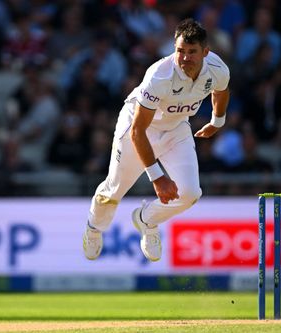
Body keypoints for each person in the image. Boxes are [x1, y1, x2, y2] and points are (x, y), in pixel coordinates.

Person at [83, 18, 230, 262]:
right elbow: (138, 130)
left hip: (176, 128)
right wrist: (158, 177)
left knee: (191, 193)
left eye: (192, 52)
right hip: (139, 128)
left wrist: (217, 121)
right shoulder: (160, 76)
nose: (184, 58)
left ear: (206, 52)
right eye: (180, 51)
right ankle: (93, 229)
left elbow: (221, 90)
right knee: (113, 190)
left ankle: (146, 220)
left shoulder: (218, 69)